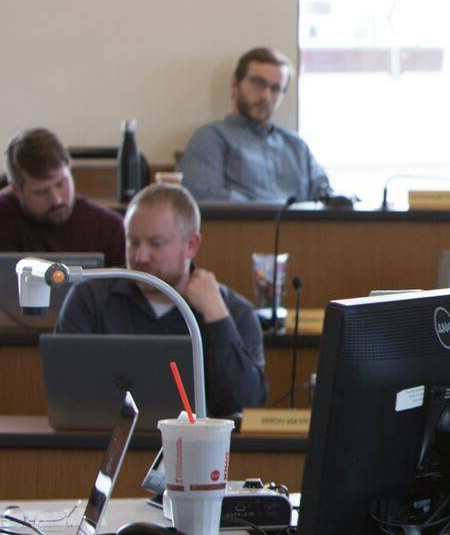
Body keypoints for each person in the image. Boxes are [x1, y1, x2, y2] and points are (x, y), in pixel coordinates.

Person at [56, 183, 267, 414]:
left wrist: (218, 320)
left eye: (156, 244)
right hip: (107, 441)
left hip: (196, 448)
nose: (140, 256)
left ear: (191, 245)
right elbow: (65, 395)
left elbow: (246, 405)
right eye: (133, 242)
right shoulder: (90, 299)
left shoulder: (234, 312)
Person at [181, 47, 333, 203]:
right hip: (243, 225)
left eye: (275, 89)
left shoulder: (297, 146)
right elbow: (202, 196)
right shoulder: (211, 138)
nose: (265, 96)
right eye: (258, 83)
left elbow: (328, 197)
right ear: (235, 84)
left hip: (303, 227)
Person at [0, 129, 125, 266]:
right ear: (16, 190)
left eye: (61, 183)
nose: (56, 200)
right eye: (41, 192)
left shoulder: (110, 229)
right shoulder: (4, 219)